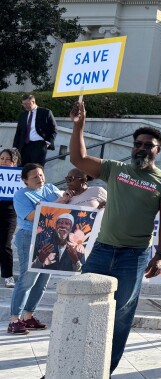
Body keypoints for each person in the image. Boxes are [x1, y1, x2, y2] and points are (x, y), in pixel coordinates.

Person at [68, 100, 161, 374]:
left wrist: (160, 254)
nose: (141, 148)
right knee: (82, 303)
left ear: (158, 150)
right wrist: (79, 126)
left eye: (148, 145)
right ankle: (69, 365)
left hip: (135, 256)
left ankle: (105, 370)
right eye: (138, 143)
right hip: (103, 250)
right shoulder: (115, 168)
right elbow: (78, 160)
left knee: (121, 316)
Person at [7, 163, 60, 335]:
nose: (40, 179)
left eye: (41, 175)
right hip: (29, 237)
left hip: (50, 237)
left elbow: (68, 207)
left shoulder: (51, 189)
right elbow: (32, 216)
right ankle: (14, 320)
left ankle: (28, 317)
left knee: (42, 280)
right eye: (35, 177)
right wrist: (60, 202)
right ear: (25, 180)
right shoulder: (21, 195)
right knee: (27, 279)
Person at [13, 94, 57, 165]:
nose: (25, 106)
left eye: (27, 104)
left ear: (33, 102)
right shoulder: (23, 115)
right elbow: (18, 132)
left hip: (39, 145)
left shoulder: (45, 112)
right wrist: (15, 147)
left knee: (36, 167)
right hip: (24, 145)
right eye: (23, 104)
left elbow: (54, 129)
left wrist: (48, 143)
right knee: (22, 168)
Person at [0, 148, 21, 289]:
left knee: (5, 243)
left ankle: (8, 276)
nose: (3, 161)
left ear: (14, 162)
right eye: (1, 159)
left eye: (7, 159)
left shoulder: (19, 177)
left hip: (9, 213)